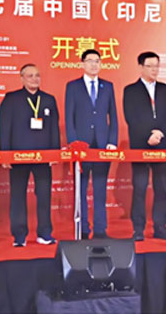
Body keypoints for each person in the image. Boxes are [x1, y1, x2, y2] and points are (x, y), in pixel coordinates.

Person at [0, 64, 59, 247]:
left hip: (43, 156)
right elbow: (4, 127)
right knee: (18, 196)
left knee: (44, 195)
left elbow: (54, 128)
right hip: (18, 156)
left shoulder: (48, 99)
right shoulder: (11, 99)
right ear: (22, 78)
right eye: (30, 75)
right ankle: (19, 235)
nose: (34, 79)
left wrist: (54, 153)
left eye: (37, 75)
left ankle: (45, 233)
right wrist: (5, 154)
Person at [123, 51, 166, 242]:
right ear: (141, 67)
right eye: (150, 66)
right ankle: (138, 229)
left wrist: (160, 132)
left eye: (157, 66)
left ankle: (160, 227)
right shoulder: (131, 90)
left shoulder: (165, 89)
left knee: (161, 188)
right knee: (139, 188)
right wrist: (148, 135)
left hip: (162, 144)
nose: (154, 70)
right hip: (141, 144)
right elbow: (131, 117)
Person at [65, 49, 118, 239]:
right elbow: (69, 117)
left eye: (97, 61)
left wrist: (112, 141)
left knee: (100, 189)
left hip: (102, 145)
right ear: (82, 64)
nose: (94, 64)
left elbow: (113, 116)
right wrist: (73, 142)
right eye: (90, 61)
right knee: (80, 189)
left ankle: (100, 230)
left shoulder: (108, 86)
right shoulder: (73, 86)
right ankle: (83, 229)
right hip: (81, 146)